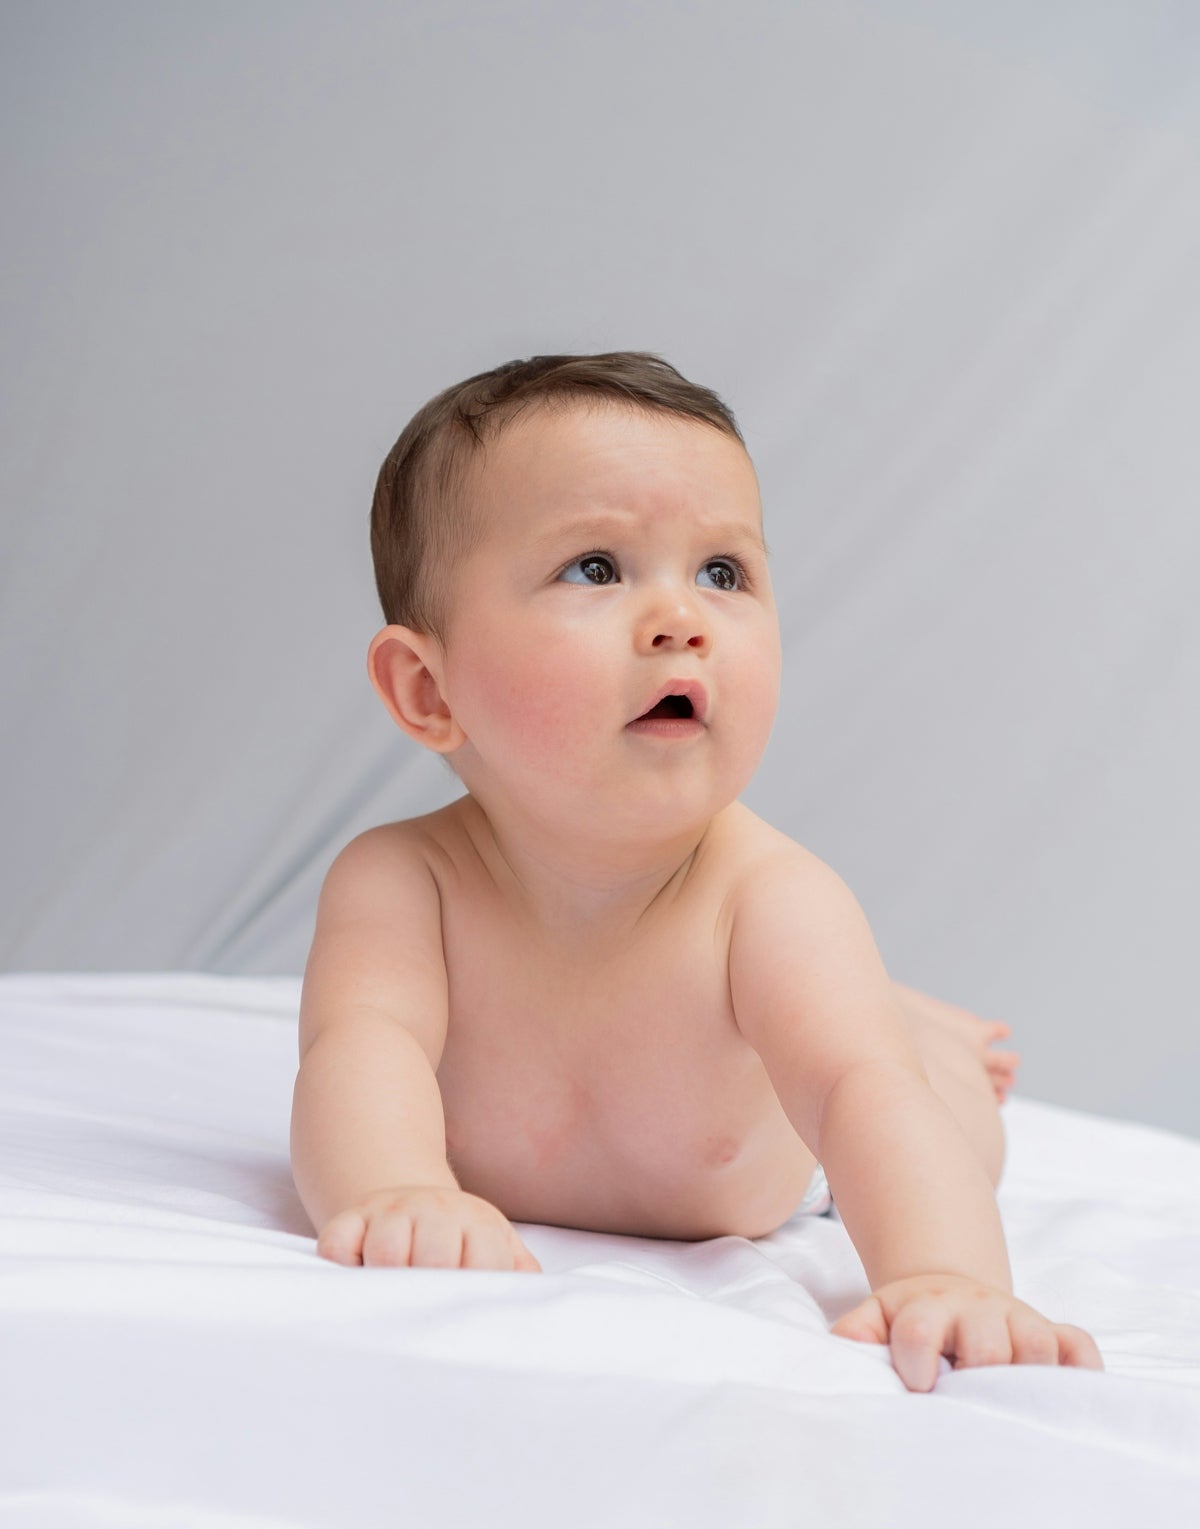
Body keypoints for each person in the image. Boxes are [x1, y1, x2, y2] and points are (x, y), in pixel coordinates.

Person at [290, 351, 1104, 1394]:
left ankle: (909, 1024)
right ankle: (884, 1005)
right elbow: (357, 1048)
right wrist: (398, 1188)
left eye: (724, 573)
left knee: (910, 1087)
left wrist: (945, 1273)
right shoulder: (402, 883)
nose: (684, 618)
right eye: (596, 567)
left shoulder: (770, 899)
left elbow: (862, 1097)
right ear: (426, 688)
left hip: (790, 1172)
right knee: (837, 1020)